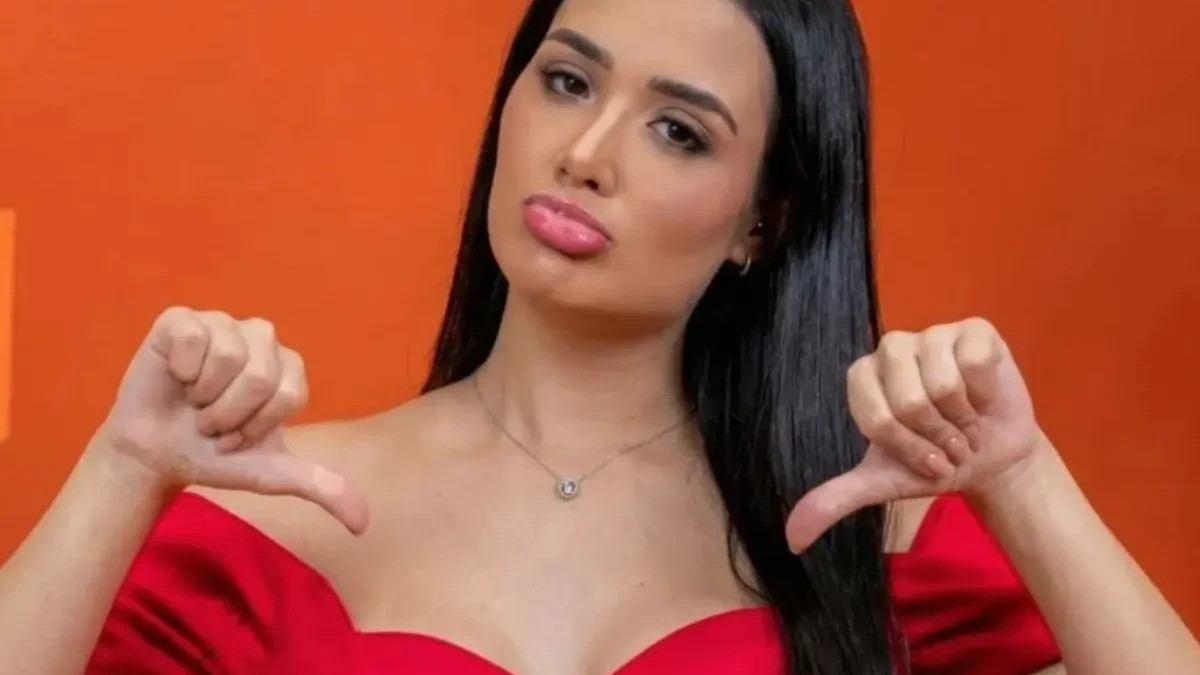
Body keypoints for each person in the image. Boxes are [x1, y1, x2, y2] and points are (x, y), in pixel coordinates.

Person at [2, 0, 1197, 673]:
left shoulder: (871, 539)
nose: (585, 152)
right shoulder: (269, 512)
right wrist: (121, 468)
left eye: (679, 131)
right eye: (568, 81)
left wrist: (1024, 481)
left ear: (763, 219)